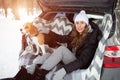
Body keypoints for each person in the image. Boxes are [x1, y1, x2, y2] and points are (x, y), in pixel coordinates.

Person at [0, 10, 102, 80]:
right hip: (72, 58)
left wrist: (64, 70)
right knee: (48, 54)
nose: (79, 26)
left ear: (86, 24)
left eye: (82, 23)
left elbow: (82, 61)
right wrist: (49, 32)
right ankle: (28, 72)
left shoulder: (90, 39)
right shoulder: (76, 33)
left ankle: (39, 76)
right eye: (77, 23)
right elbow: (63, 38)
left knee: (61, 49)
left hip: (79, 64)